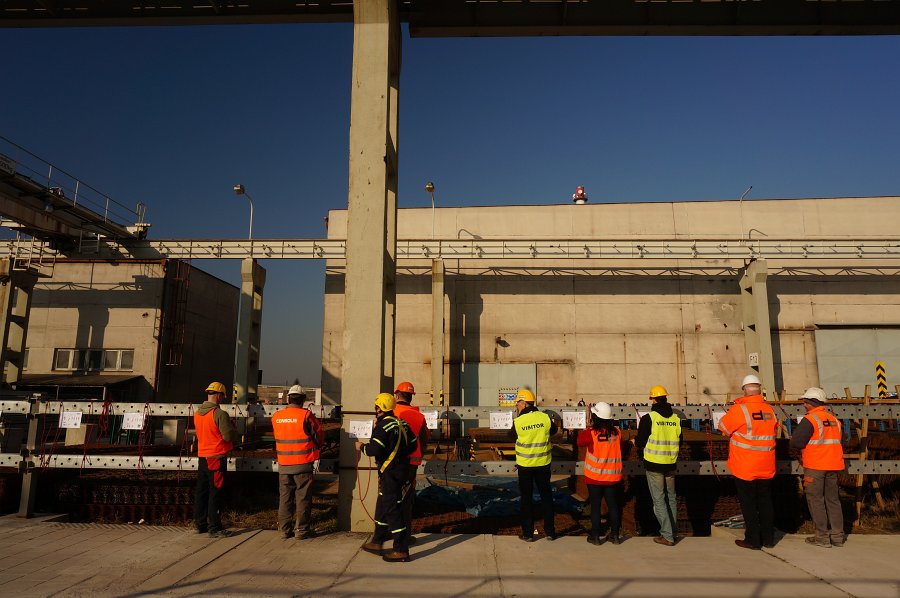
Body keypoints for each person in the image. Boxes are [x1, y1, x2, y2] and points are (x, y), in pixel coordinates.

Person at [718, 374, 777, 550]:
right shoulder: (769, 410)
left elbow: (723, 427)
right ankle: (768, 539)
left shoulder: (739, 410)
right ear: (759, 390)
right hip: (766, 464)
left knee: (748, 503)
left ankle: (752, 540)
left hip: (745, 466)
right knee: (765, 502)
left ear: (744, 390)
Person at [358, 393, 417, 562]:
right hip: (401, 471)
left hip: (390, 473)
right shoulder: (402, 424)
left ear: (380, 409)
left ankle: (401, 549)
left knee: (392, 509)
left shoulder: (383, 427)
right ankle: (377, 540)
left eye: (376, 407)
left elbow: (373, 450)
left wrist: (361, 447)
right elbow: (413, 445)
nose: (375, 409)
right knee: (383, 504)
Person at [790, 387, 846, 548]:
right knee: (833, 500)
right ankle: (837, 537)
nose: (804, 404)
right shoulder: (834, 420)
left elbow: (796, 442)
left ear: (810, 403)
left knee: (816, 500)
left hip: (815, 466)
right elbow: (841, 440)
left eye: (805, 401)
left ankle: (822, 537)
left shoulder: (810, 420)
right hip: (833, 465)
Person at [272, 385, 324, 540]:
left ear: (288, 399)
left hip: (284, 464)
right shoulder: (306, 415)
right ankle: (301, 530)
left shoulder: (277, 416)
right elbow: (319, 436)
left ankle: (284, 530)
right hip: (302, 464)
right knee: (303, 498)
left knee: (285, 498)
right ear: (303, 400)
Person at [509, 388, 559, 542]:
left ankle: (528, 533)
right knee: (546, 497)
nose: (517, 406)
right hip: (543, 464)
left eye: (518, 403)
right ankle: (550, 532)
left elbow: (511, 436)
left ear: (524, 404)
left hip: (525, 466)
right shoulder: (545, 418)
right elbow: (554, 430)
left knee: (526, 499)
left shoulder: (519, 422)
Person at [635, 385, 682, 546]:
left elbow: (641, 442)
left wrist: (634, 441)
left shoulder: (649, 418)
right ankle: (673, 532)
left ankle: (667, 535)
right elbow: (680, 441)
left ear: (653, 400)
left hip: (654, 465)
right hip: (670, 464)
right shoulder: (676, 419)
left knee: (659, 500)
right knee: (671, 498)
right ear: (666, 399)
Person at [577, 402, 627, 545]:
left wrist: (587, 428)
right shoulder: (617, 432)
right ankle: (615, 536)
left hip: (594, 478)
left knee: (595, 507)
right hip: (612, 477)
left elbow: (579, 442)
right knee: (613, 506)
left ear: (595, 417)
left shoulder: (591, 433)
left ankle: (595, 537)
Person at [194, 381, 238, 538]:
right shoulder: (219, 414)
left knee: (202, 491)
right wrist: (233, 430)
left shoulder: (198, 413)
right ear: (219, 396)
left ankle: (200, 525)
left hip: (203, 457)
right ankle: (215, 527)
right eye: (223, 396)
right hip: (216, 458)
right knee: (215, 493)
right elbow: (227, 436)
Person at [392, 381, 429, 546]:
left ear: (396, 395)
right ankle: (405, 537)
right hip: (411, 465)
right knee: (406, 501)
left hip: (390, 465)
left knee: (388, 498)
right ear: (411, 397)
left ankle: (386, 533)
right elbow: (425, 439)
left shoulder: (390, 413)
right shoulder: (419, 416)